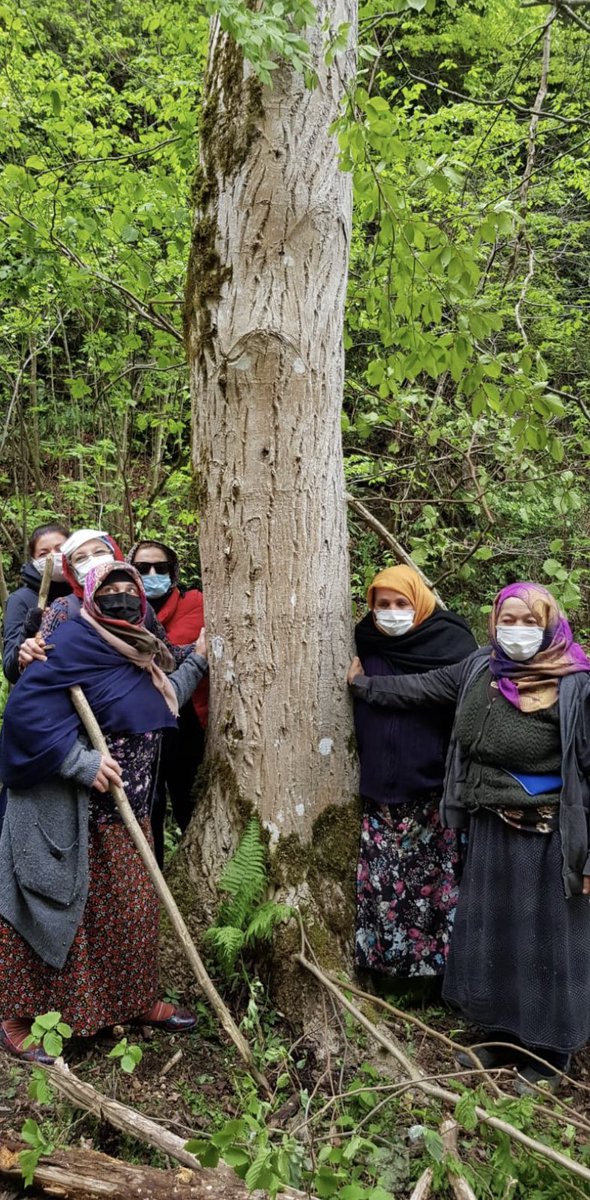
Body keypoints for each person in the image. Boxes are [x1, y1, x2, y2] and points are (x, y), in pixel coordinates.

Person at [348, 581, 590, 1093]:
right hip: (490, 828)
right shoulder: (481, 668)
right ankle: (503, 1036)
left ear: (550, 624)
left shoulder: (576, 686)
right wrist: (366, 685)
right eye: (509, 619)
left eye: (529, 621)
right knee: (498, 935)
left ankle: (551, 1053)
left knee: (548, 940)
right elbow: (423, 688)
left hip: (550, 835)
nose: (517, 631)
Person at [0, 561, 208, 1063]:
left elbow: (165, 700)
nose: (121, 598)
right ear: (91, 597)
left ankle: (133, 1002)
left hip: (131, 813)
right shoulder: (70, 644)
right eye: (109, 590)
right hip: (74, 815)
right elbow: (25, 713)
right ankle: (18, 1017)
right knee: (58, 917)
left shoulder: (142, 652)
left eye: (128, 589)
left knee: (131, 913)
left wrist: (198, 660)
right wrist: (79, 761)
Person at [352, 566, 477, 984]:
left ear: (419, 603)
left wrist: (365, 687)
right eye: (382, 605)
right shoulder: (364, 643)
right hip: (378, 790)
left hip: (432, 789)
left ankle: (434, 978)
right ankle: (385, 973)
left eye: (401, 603)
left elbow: (432, 693)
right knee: (383, 886)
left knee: (434, 887)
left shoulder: (452, 644)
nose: (391, 613)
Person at [128, 541, 208, 866]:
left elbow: (172, 655)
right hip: (139, 724)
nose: (152, 574)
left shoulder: (195, 603)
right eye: (143, 568)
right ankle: (154, 881)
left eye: (160, 568)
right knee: (150, 806)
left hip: (186, 721)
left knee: (190, 801)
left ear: (173, 572)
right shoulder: (120, 608)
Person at [17, 529, 190, 674]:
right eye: (80, 558)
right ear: (71, 569)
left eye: (99, 552)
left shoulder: (140, 604)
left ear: (114, 554)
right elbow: (42, 664)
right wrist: (29, 650)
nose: (92, 560)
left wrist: (205, 644)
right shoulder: (64, 608)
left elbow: (170, 653)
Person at [2, 522, 71, 684]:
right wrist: (28, 632)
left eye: (60, 549)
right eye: (43, 553)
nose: (52, 556)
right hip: (44, 688)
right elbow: (10, 670)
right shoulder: (20, 600)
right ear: (33, 560)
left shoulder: (86, 593)